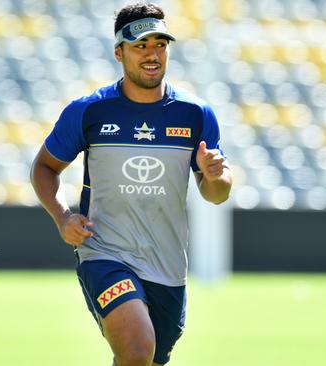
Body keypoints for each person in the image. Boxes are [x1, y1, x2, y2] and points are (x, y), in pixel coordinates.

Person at [30, 2, 232, 365]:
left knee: (143, 359)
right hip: (105, 253)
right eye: (141, 46)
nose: (152, 54)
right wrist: (62, 217)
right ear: (119, 53)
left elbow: (215, 194)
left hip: (167, 265)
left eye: (160, 44)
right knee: (138, 349)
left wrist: (217, 176)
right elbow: (45, 167)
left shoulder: (196, 113)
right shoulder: (89, 111)